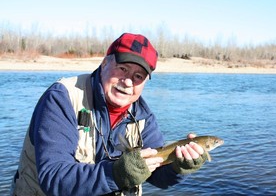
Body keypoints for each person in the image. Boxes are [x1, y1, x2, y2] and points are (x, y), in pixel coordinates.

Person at [11, 33, 207, 195]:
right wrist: (117, 173)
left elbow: (157, 177)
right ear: (104, 63)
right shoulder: (62, 98)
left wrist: (178, 167)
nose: (128, 82)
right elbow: (55, 178)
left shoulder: (143, 116)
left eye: (138, 76)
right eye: (123, 69)